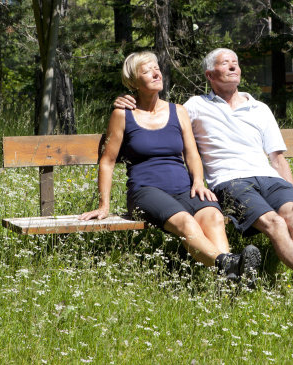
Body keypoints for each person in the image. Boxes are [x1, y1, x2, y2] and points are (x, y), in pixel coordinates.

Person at [114, 48, 293, 290]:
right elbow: (160, 116)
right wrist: (123, 100)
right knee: (275, 222)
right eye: (225, 63)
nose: (232, 67)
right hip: (231, 181)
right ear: (209, 75)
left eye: (235, 63)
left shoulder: (259, 108)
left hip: (269, 177)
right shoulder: (195, 105)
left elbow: (278, 159)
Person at [80, 51, 260, 281]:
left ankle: (230, 279)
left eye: (156, 68)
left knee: (213, 216)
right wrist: (103, 205)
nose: (156, 73)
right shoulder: (123, 114)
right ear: (133, 82)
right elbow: (107, 161)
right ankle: (229, 264)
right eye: (146, 71)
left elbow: (192, 153)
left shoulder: (178, 111)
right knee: (186, 221)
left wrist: (198, 182)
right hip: (146, 191)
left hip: (184, 188)